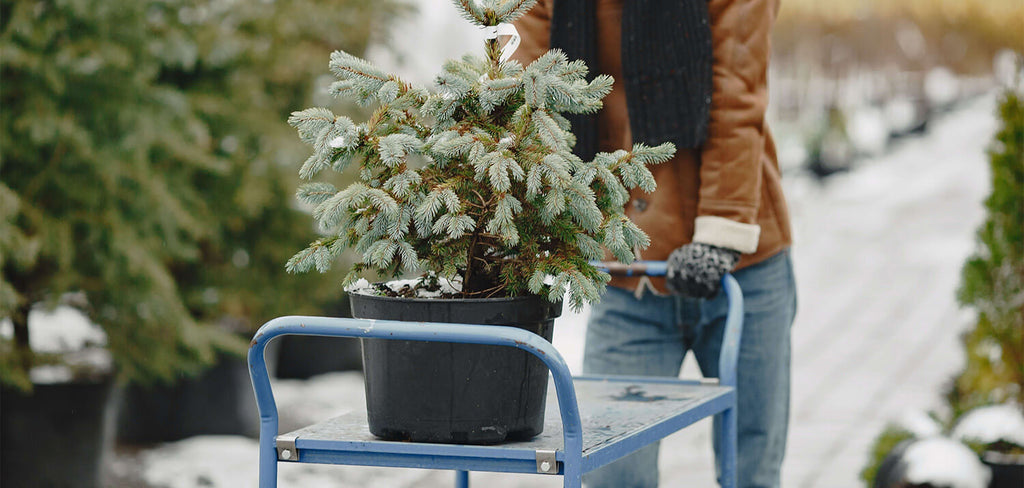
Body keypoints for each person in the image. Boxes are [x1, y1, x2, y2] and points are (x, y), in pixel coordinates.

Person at [512, 1, 796, 487]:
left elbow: (736, 94)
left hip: (742, 268)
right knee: (612, 471)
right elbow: (531, 96)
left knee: (751, 468)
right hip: (631, 270)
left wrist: (721, 233)